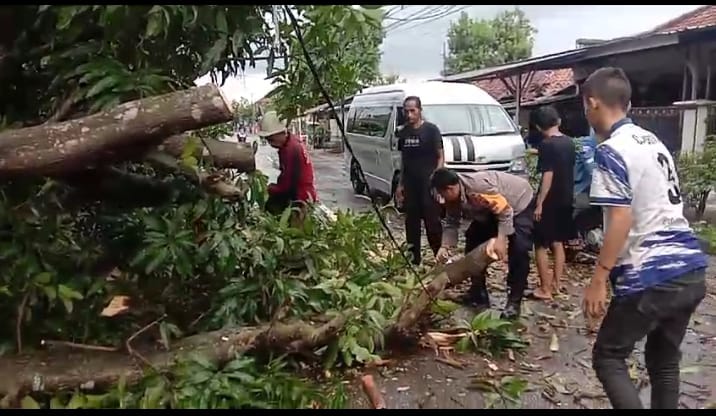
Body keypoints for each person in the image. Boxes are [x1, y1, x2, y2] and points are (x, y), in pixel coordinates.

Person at [582, 67, 707, 409]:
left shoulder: (611, 150)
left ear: (592, 103)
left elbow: (621, 218)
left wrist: (599, 278)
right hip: (690, 270)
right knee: (664, 360)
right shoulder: (654, 142)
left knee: (608, 356)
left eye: (584, 105)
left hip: (653, 274)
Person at [431, 168, 534, 320]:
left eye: (442, 194)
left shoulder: (478, 188)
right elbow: (452, 221)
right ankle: (477, 292)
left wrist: (501, 239)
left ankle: (514, 302)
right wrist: (445, 246)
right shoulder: (453, 195)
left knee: (519, 249)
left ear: (450, 188)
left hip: (518, 203)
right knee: (473, 239)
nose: (441, 199)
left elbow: (505, 211)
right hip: (490, 210)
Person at [530, 106, 576, 300]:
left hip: (550, 200)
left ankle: (545, 289)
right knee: (558, 242)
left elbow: (548, 176)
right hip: (567, 197)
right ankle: (557, 284)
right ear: (558, 121)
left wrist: (539, 203)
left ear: (539, 127)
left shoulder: (546, 145)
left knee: (540, 245)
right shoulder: (569, 143)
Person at [395, 96, 444, 265]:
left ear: (419, 110)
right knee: (412, 225)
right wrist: (400, 185)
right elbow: (404, 160)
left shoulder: (431, 130)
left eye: (412, 111)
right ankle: (413, 260)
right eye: (406, 111)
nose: (409, 115)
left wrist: (437, 181)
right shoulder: (404, 133)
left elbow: (440, 157)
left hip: (428, 185)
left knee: (433, 224)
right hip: (410, 185)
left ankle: (440, 258)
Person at [257, 111, 317, 215]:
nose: (270, 143)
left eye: (271, 139)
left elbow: (289, 184)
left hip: (300, 197)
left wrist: (271, 189)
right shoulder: (289, 143)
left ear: (280, 132)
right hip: (300, 193)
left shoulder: (291, 149)